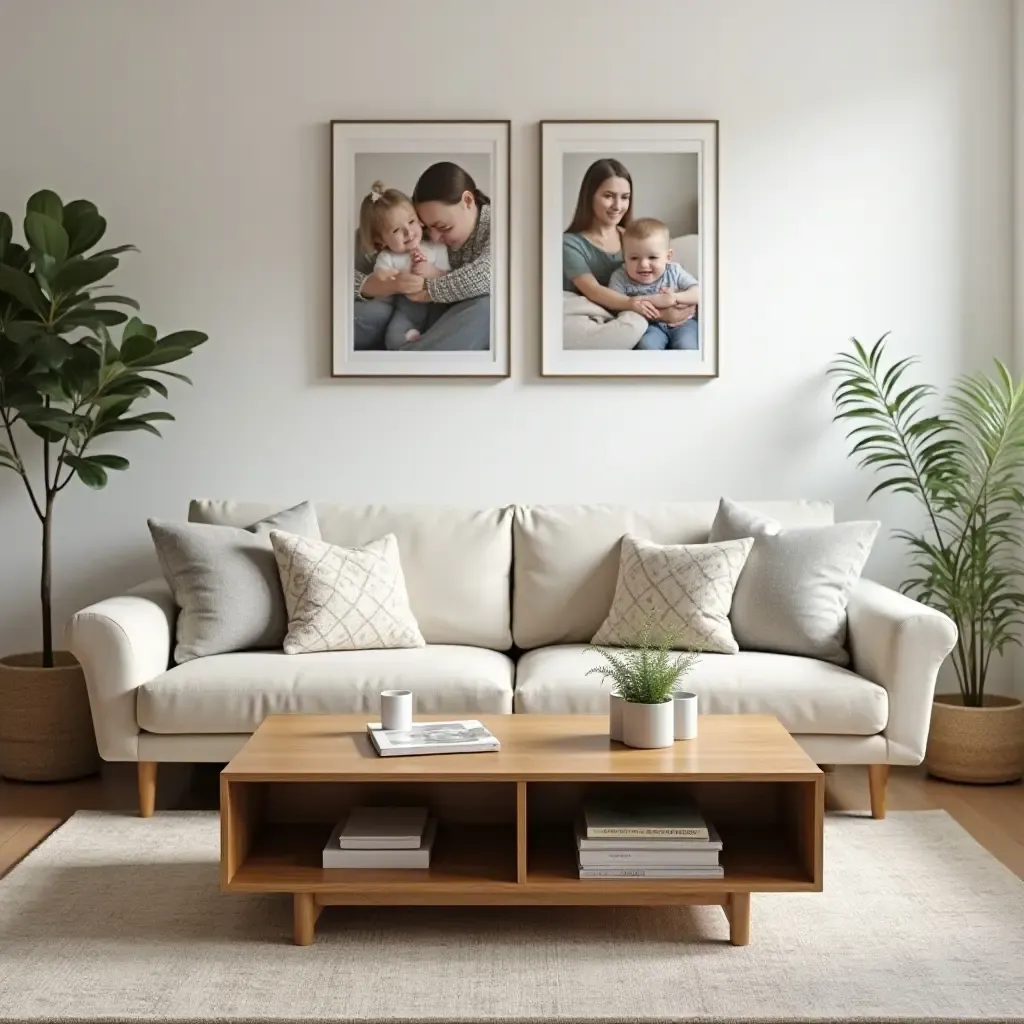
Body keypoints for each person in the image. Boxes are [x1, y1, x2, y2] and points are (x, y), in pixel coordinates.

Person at [561, 158, 693, 351]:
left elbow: (667, 274)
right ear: (589, 196)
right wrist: (662, 314)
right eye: (608, 196)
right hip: (591, 316)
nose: (617, 205)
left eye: (625, 197)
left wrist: (677, 300)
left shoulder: (632, 238)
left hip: (633, 314)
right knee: (635, 327)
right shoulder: (569, 243)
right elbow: (593, 290)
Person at [356, 180, 450, 349]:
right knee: (394, 338)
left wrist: (431, 271)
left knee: (442, 319)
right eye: (396, 230)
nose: (408, 232)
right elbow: (380, 279)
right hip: (406, 307)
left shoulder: (435, 247)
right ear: (381, 240)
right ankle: (409, 341)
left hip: (435, 303)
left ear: (420, 220)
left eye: (411, 222)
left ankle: (429, 340)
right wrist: (395, 280)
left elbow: (447, 275)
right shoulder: (388, 257)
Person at [608, 217, 699, 350]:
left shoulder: (673, 271)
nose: (643, 265)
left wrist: (674, 298)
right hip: (648, 327)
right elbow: (613, 304)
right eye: (634, 258)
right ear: (624, 257)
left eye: (652, 257)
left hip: (683, 324)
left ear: (668, 256)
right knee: (647, 346)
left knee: (686, 346)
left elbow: (699, 293)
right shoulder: (620, 276)